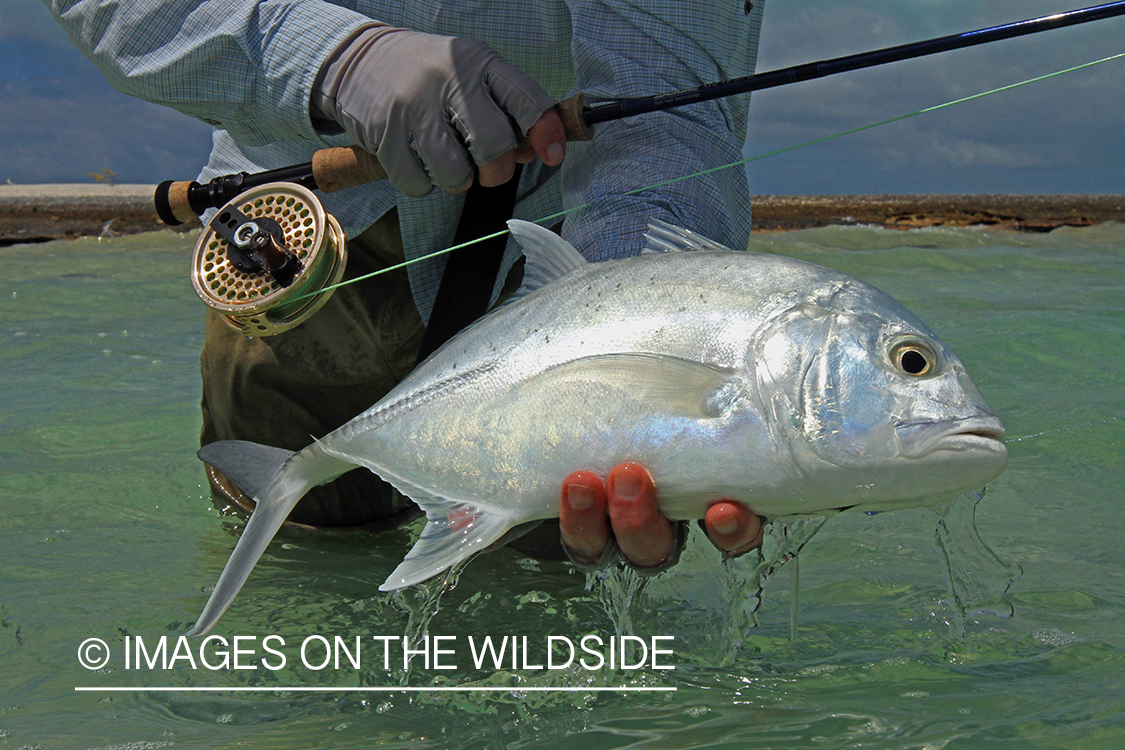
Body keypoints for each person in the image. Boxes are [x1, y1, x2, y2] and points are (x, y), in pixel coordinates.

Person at [45, 0, 766, 572]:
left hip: (565, 238)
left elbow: (668, 110)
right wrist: (335, 60)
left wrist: (637, 339)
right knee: (296, 577)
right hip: (314, 244)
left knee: (557, 597)